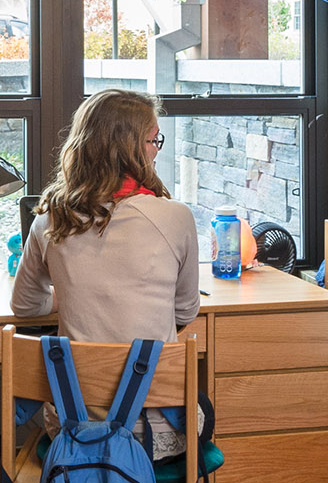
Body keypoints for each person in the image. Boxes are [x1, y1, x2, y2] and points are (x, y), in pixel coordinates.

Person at [14, 88, 206, 463]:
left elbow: (24, 306)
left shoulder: (49, 220)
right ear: (132, 148)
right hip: (157, 427)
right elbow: (185, 313)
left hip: (73, 422)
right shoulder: (176, 217)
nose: (156, 150)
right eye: (153, 140)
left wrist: (69, 296)